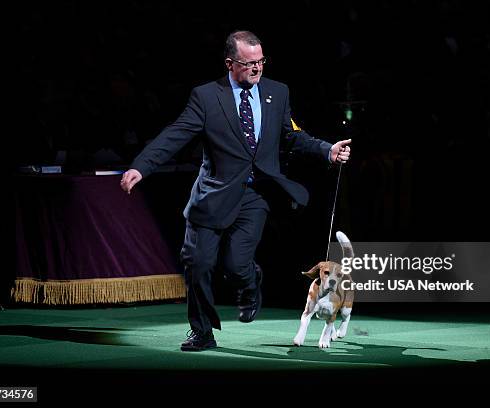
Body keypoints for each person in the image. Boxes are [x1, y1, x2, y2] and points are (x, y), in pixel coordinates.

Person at [120, 30, 351, 351]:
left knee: (236, 263)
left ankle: (249, 282)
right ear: (230, 64)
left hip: (254, 196)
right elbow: (175, 134)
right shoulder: (206, 97)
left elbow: (292, 135)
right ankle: (202, 332)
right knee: (198, 264)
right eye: (249, 63)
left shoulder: (277, 92)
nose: (257, 68)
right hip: (212, 196)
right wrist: (140, 166)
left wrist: (328, 150)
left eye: (261, 61)